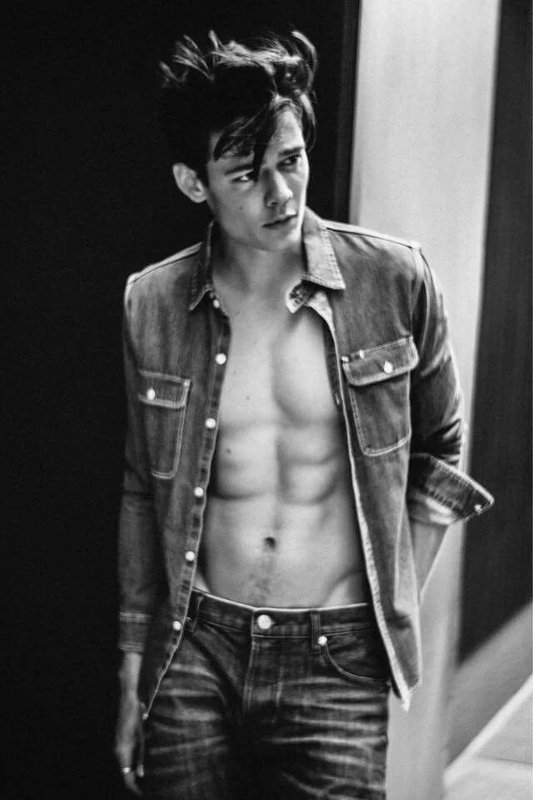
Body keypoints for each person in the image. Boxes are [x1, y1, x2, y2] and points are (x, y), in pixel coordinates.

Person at [114, 30, 493, 800]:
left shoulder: (394, 280)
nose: (281, 194)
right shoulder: (151, 302)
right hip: (193, 650)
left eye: (290, 161)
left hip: (336, 653)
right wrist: (130, 672)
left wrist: (390, 604)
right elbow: (141, 487)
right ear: (193, 182)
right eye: (246, 175)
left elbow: (439, 451)